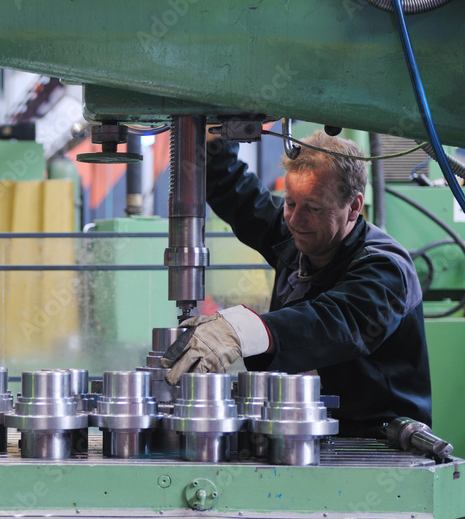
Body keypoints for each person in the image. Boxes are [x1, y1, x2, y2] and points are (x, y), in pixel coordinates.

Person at [161, 130, 432, 437]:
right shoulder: (297, 231)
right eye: (290, 202)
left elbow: (334, 321)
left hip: (375, 439)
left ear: (354, 207)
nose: (295, 220)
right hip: (300, 428)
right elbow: (232, 189)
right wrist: (217, 137)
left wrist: (241, 329)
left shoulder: (386, 268)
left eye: (314, 208)